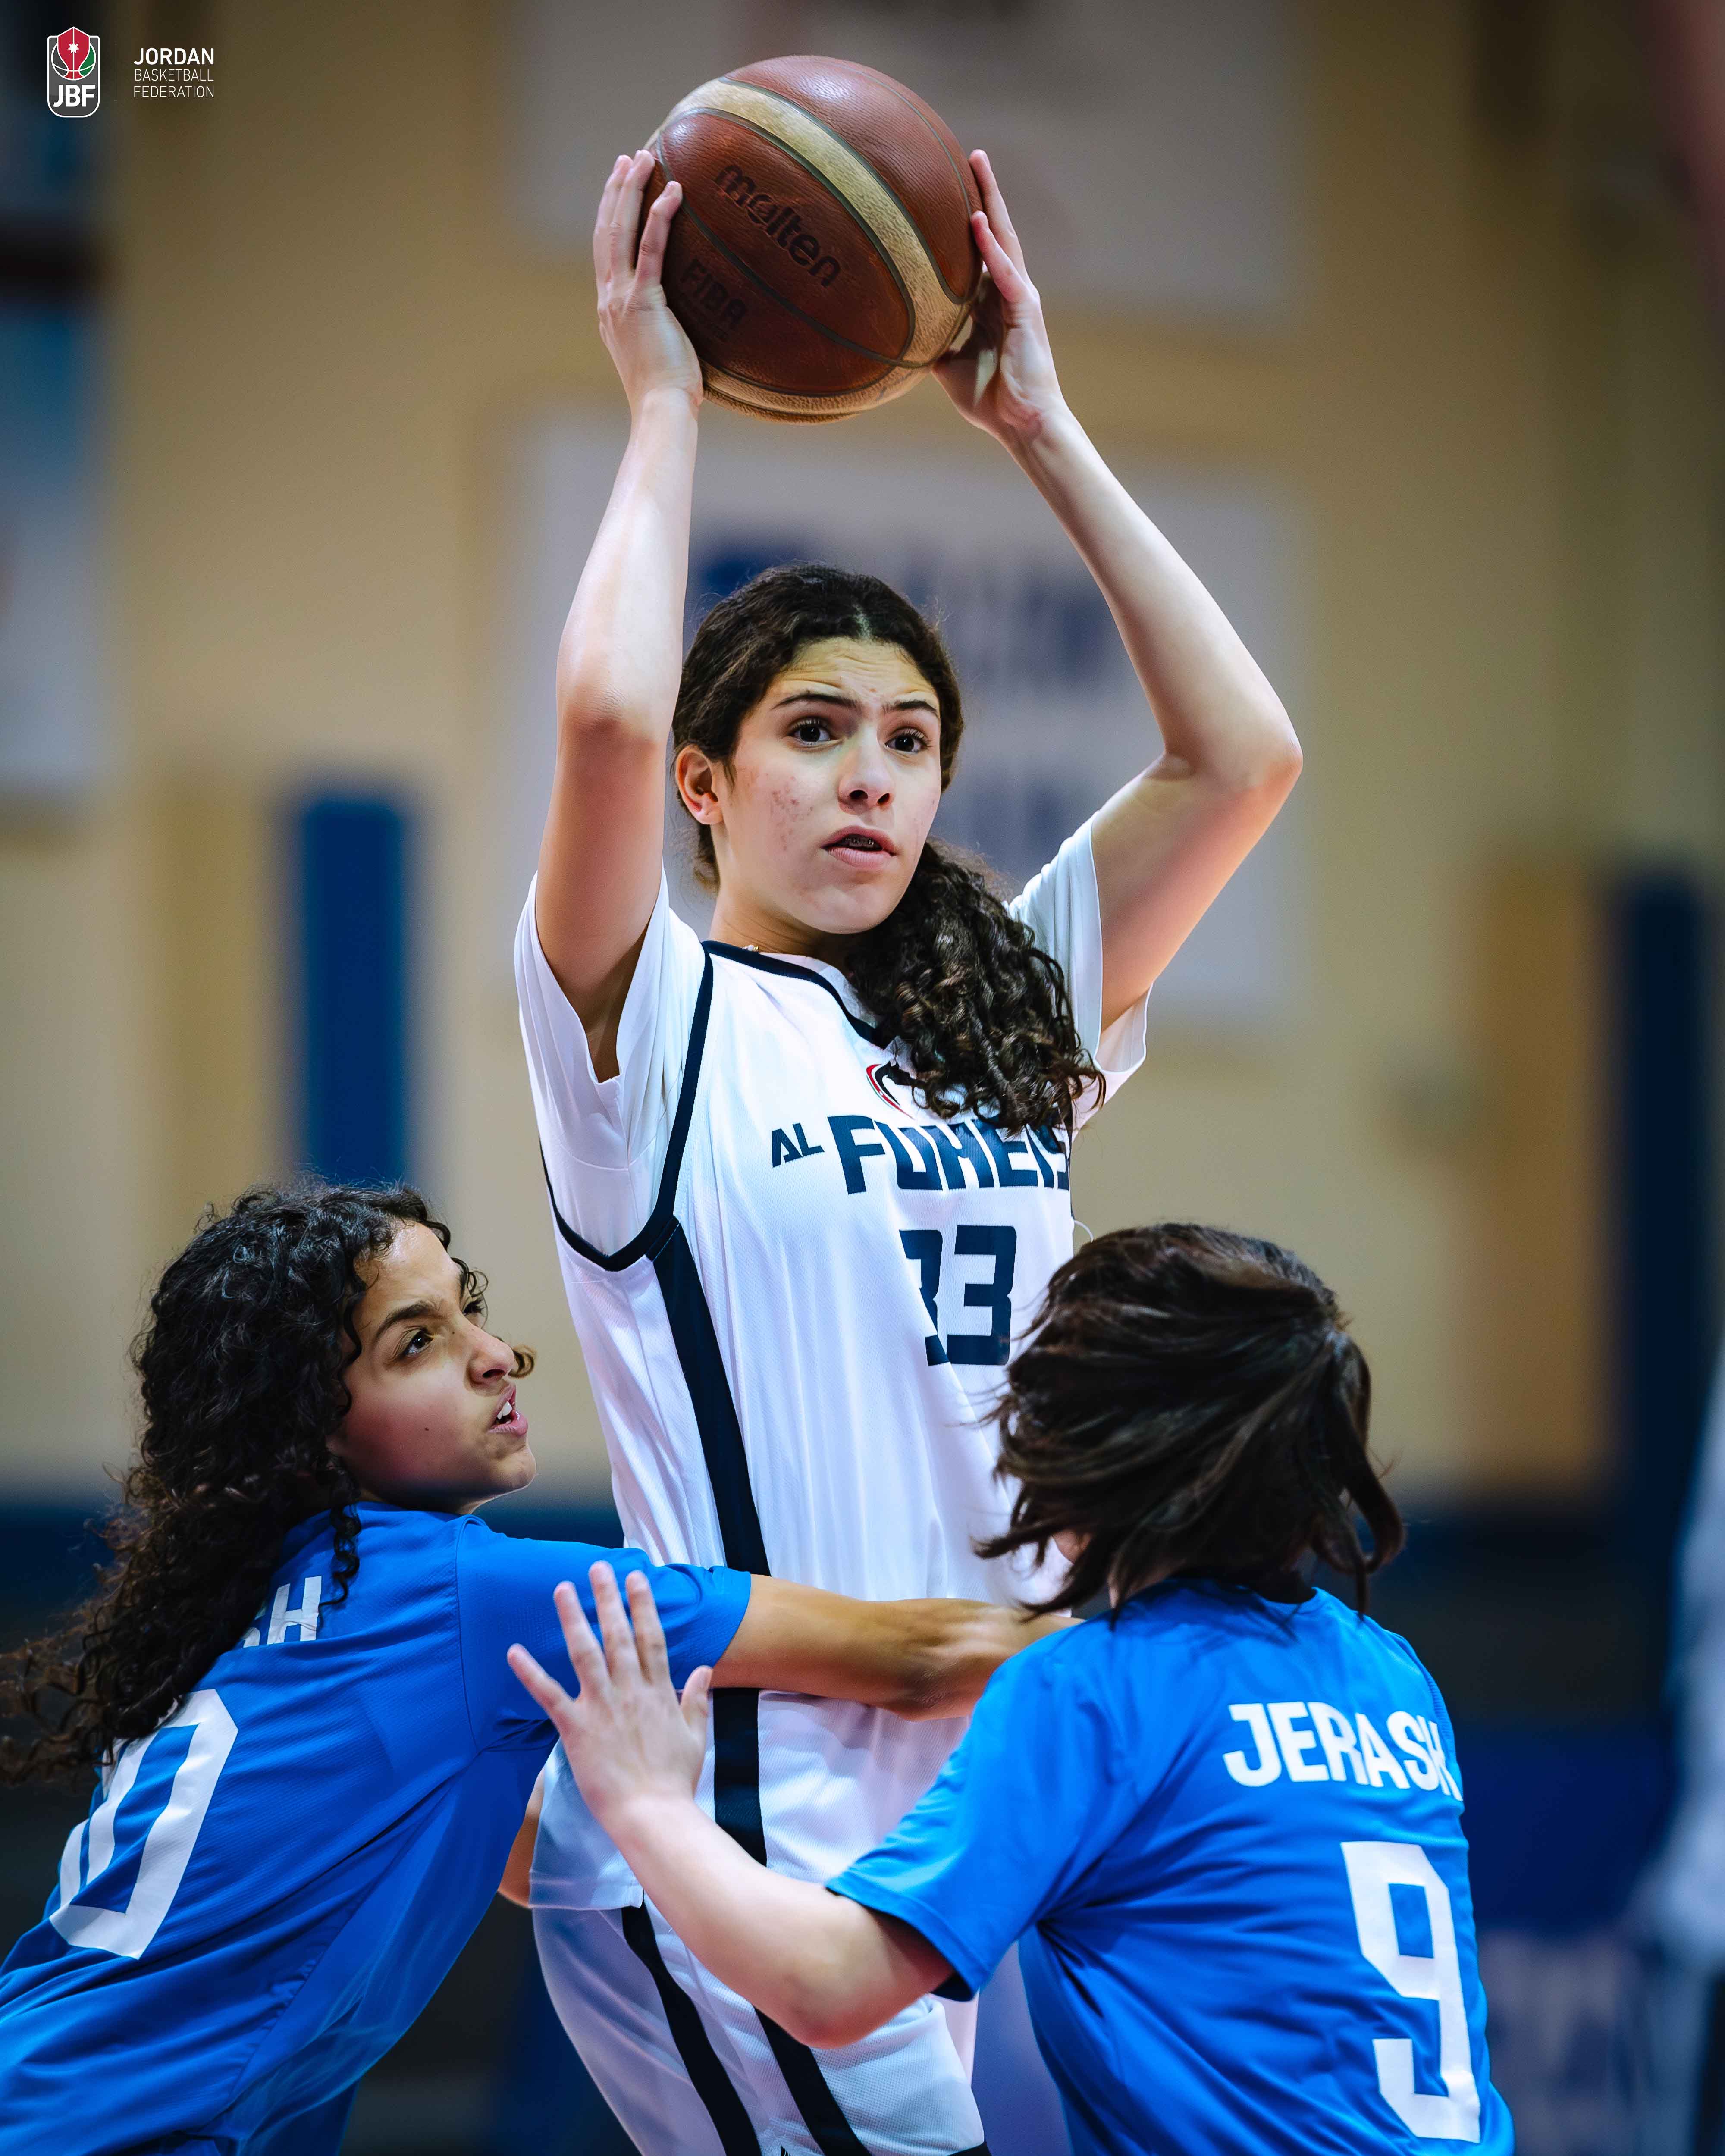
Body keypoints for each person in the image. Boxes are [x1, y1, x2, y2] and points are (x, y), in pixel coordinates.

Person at [515, 143, 1303, 2151]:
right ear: (705, 783)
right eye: (809, 731)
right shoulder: (652, 1019)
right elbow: (598, 719)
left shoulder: (999, 1008)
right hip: (748, 1803)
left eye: (907, 739)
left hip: (987, 1790)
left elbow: (1242, 756)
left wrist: (1038, 422)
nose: (866, 775)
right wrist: (663, 400)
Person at [0, 1183, 1051, 2156]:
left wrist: (660, 1818)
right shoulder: (459, 1591)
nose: (496, 1355)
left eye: (469, 1310)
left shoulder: (243, 1614)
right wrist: (1146, 1632)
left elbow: (505, 1846)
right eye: (417, 1342)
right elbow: (921, 1659)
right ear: (312, 1432)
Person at [514, 1222, 1515, 2156]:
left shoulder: (1094, 1688)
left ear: (1090, 1440)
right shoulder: (1391, 1675)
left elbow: (829, 1985)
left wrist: (645, 1801)